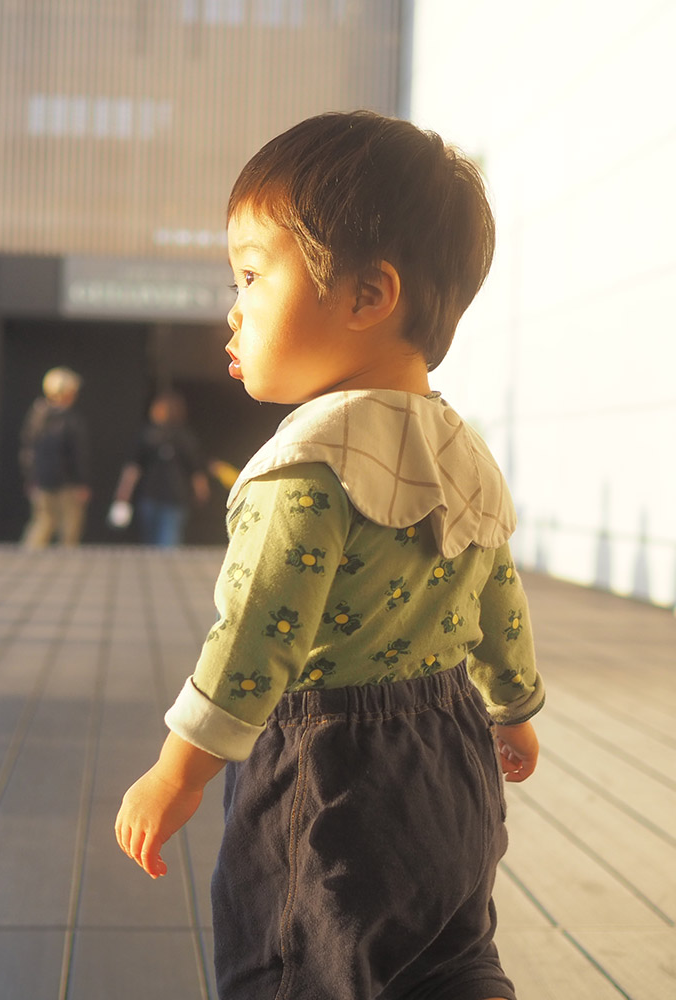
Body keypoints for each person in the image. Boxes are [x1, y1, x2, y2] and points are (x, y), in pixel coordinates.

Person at [115, 111, 544, 1000]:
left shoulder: (306, 468)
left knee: (298, 968)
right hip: (453, 758)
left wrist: (176, 770)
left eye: (250, 275)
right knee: (448, 964)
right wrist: (512, 705)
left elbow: (253, 644)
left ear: (366, 296)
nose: (232, 311)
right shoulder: (463, 451)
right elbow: (495, 591)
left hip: (332, 774)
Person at [110, 390, 210, 546]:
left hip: (174, 497)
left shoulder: (183, 437)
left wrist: (201, 490)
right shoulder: (147, 435)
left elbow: (195, 469)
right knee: (151, 544)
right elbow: (133, 468)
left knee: (168, 543)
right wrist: (124, 493)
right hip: (150, 495)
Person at [19, 366, 91, 549]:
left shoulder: (38, 415)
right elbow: (78, 454)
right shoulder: (68, 420)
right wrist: (81, 482)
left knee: (45, 522)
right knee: (68, 527)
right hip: (65, 483)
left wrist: (30, 478)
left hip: (43, 480)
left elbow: (27, 451)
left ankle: (27, 562)